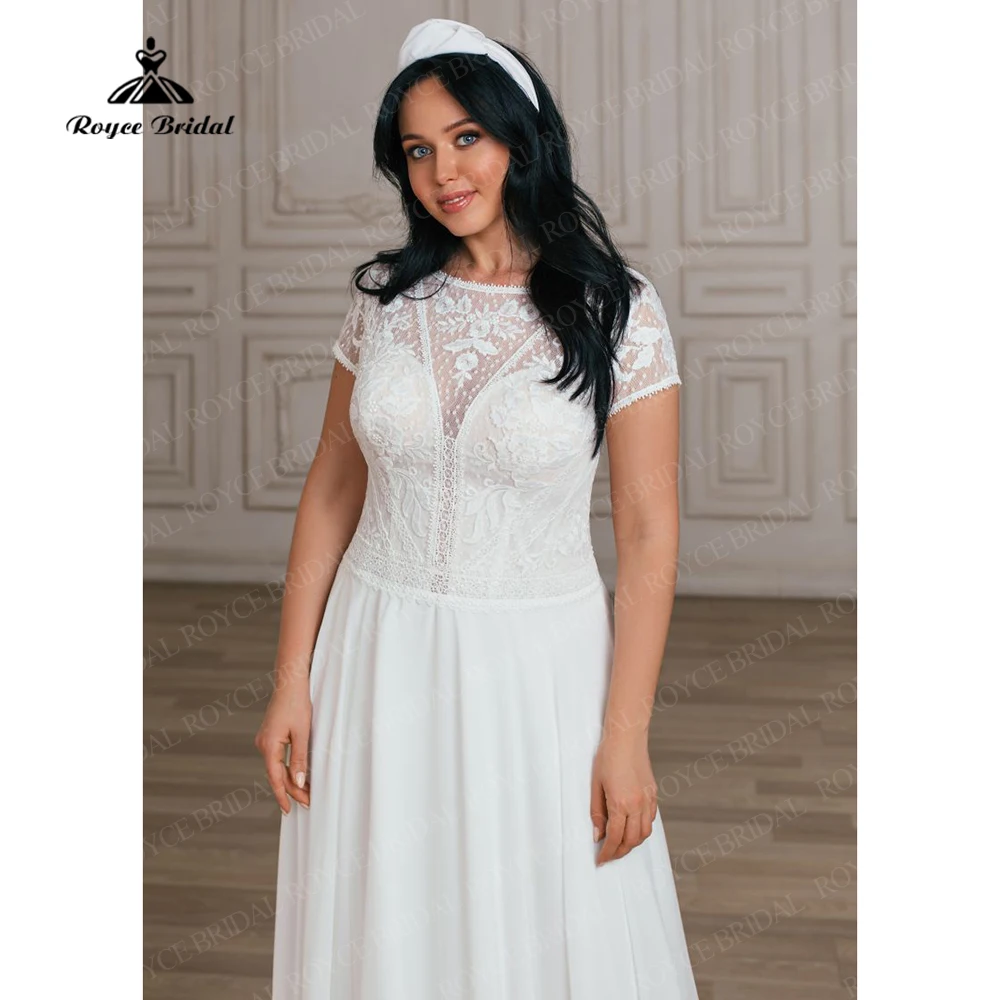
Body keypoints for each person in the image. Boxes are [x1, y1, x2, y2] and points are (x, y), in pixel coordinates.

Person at [256, 18, 699, 999]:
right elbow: (332, 488)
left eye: (466, 138)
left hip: (536, 673)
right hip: (375, 651)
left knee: (538, 924)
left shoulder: (617, 310)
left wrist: (625, 735)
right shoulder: (385, 300)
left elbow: (647, 533)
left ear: (522, 140)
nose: (442, 172)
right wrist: (292, 678)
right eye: (417, 150)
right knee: (383, 916)